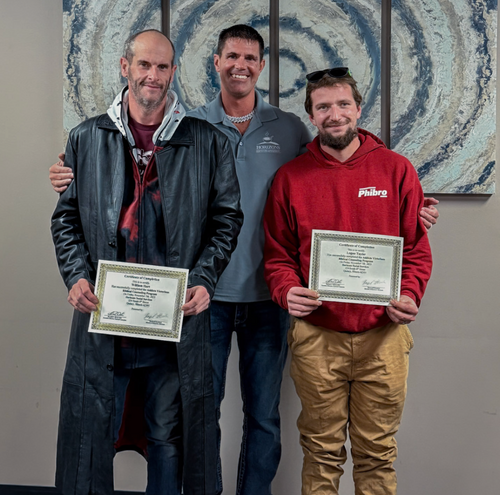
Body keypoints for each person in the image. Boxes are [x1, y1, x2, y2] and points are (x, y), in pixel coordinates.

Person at [50, 29, 439, 495]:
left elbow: (335, 176)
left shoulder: (290, 130)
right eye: (232, 55)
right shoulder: (189, 125)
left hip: (267, 300)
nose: (241, 64)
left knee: (263, 417)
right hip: (200, 301)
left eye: (251, 57)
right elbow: (103, 195)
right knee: (198, 414)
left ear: (261, 65)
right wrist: (71, 170)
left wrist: (412, 207)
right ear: (215, 62)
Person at [51, 29, 243, 495]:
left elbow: (227, 220)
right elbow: (66, 219)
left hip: (172, 323)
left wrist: (205, 278)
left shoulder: (207, 141)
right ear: (125, 67)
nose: (152, 76)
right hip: (106, 319)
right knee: (93, 437)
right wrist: (75, 275)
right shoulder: (86, 137)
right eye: (143, 65)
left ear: (173, 72)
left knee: (168, 438)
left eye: (161, 67)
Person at [263, 67, 433, 495]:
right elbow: (278, 255)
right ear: (312, 116)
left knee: (377, 455)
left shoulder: (396, 170)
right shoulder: (290, 178)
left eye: (343, 104)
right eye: (323, 107)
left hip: (384, 336)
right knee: (321, 454)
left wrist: (409, 293)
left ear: (358, 109)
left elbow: (415, 250)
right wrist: (286, 290)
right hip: (317, 338)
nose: (334, 114)